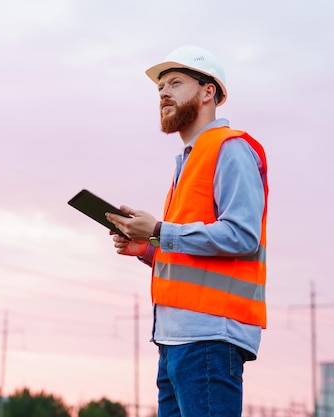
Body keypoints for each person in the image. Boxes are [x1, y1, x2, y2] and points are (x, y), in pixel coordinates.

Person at [105, 45, 269, 417]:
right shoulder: (191, 160)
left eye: (175, 83)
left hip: (210, 339)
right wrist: (147, 247)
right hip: (174, 341)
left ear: (208, 91)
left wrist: (160, 231)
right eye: (160, 87)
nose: (163, 93)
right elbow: (196, 255)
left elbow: (242, 237)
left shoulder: (231, 149)